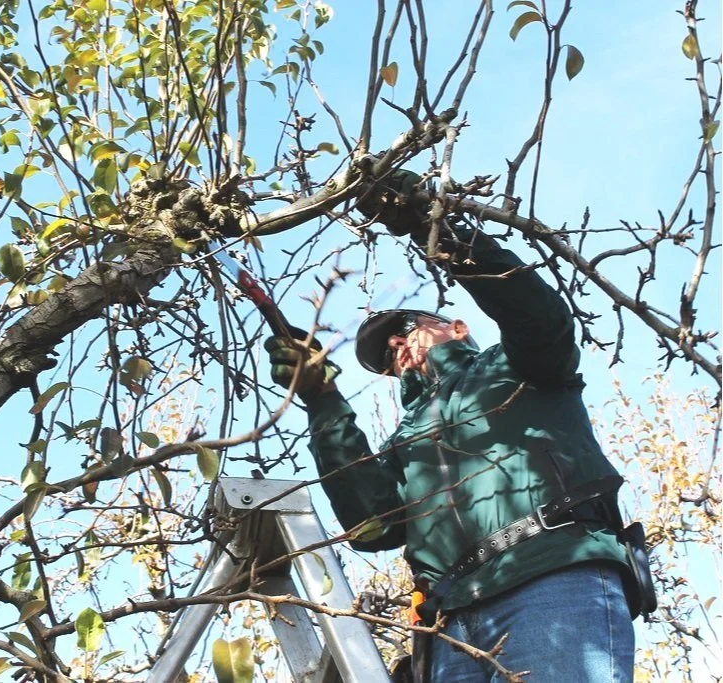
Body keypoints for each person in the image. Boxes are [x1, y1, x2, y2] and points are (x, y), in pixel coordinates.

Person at [263, 172, 654, 682]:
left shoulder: (515, 366)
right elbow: (371, 525)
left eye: (403, 331)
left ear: (457, 327)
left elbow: (540, 317)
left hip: (553, 573)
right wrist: (321, 400)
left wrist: (441, 231)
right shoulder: (405, 443)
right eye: (385, 358)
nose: (396, 349)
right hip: (449, 625)